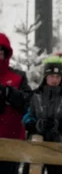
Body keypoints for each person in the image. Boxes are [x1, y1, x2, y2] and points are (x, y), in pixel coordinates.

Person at [0, 33, 32, 174]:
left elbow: (30, 103)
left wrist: (9, 93)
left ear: (6, 54)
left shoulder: (18, 77)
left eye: (0, 53)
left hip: (12, 142)